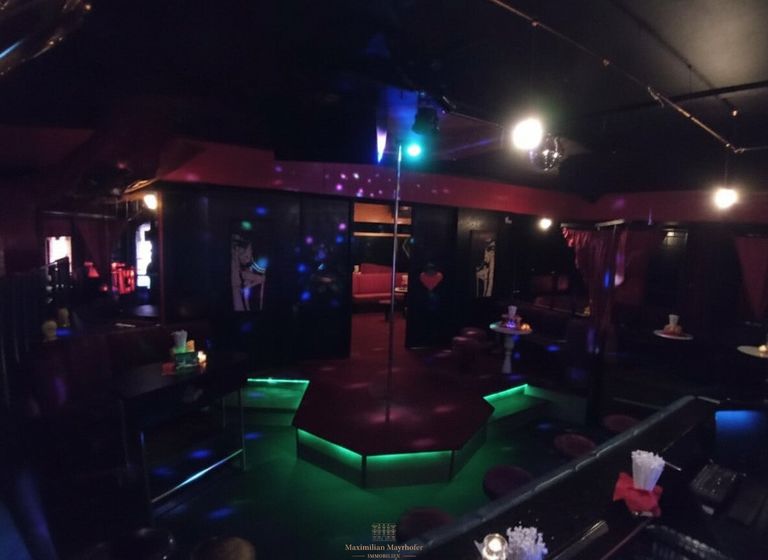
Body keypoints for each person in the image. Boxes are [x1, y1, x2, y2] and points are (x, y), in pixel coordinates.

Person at [231, 235, 266, 311]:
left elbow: (261, 275)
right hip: (244, 275)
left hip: (248, 274)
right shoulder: (237, 258)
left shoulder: (253, 259)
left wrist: (262, 271)